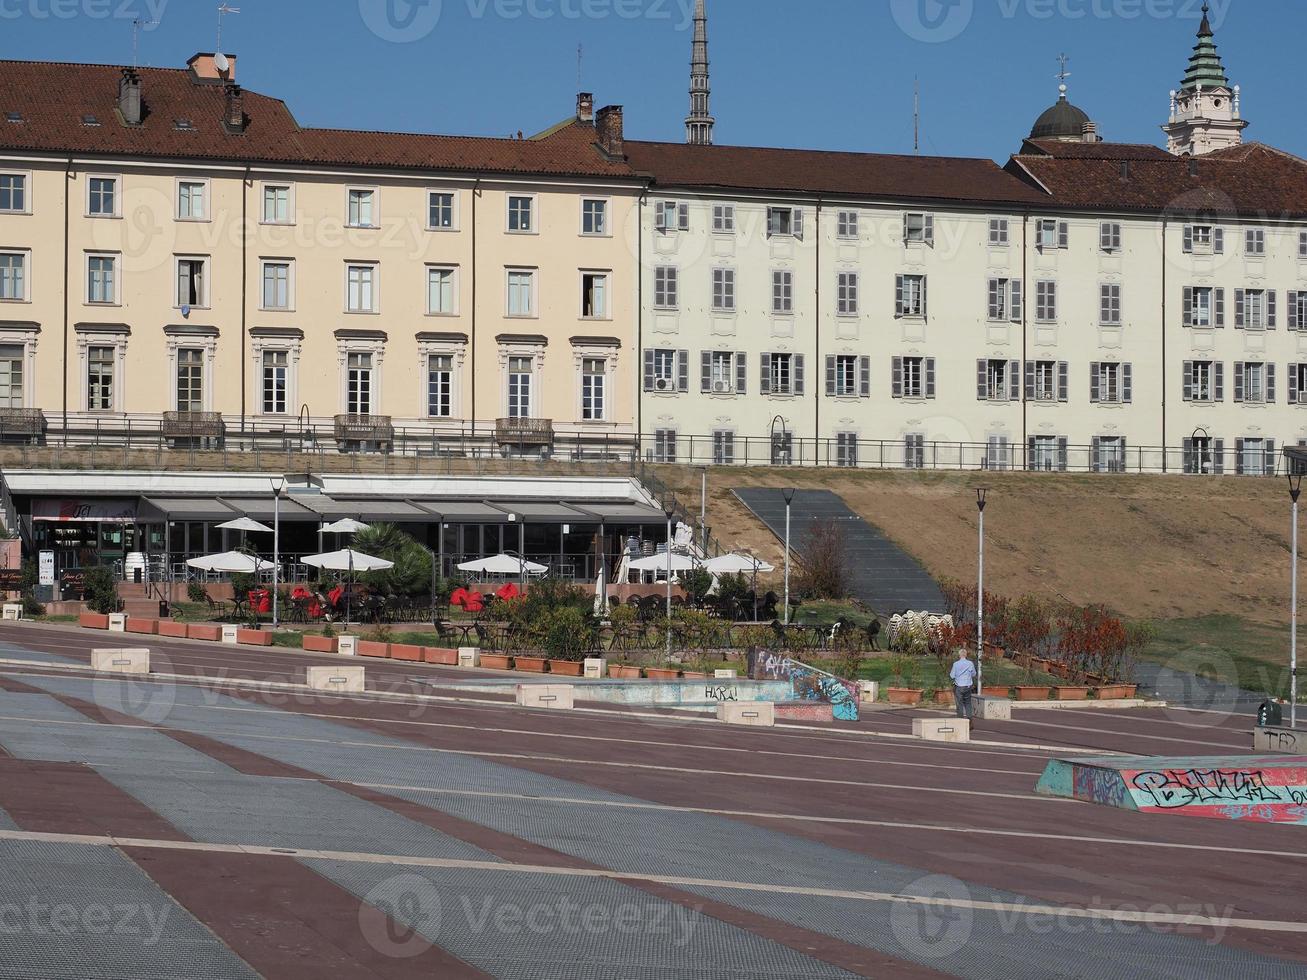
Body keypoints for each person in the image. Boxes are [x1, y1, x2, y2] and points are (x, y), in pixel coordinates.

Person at [950, 648, 977, 720]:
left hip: (959, 686)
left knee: (959, 703)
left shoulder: (955, 664)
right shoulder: (970, 663)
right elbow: (974, 674)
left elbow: (952, 675)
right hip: (968, 686)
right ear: (966, 655)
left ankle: (960, 719)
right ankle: (969, 719)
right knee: (968, 703)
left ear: (959, 655)